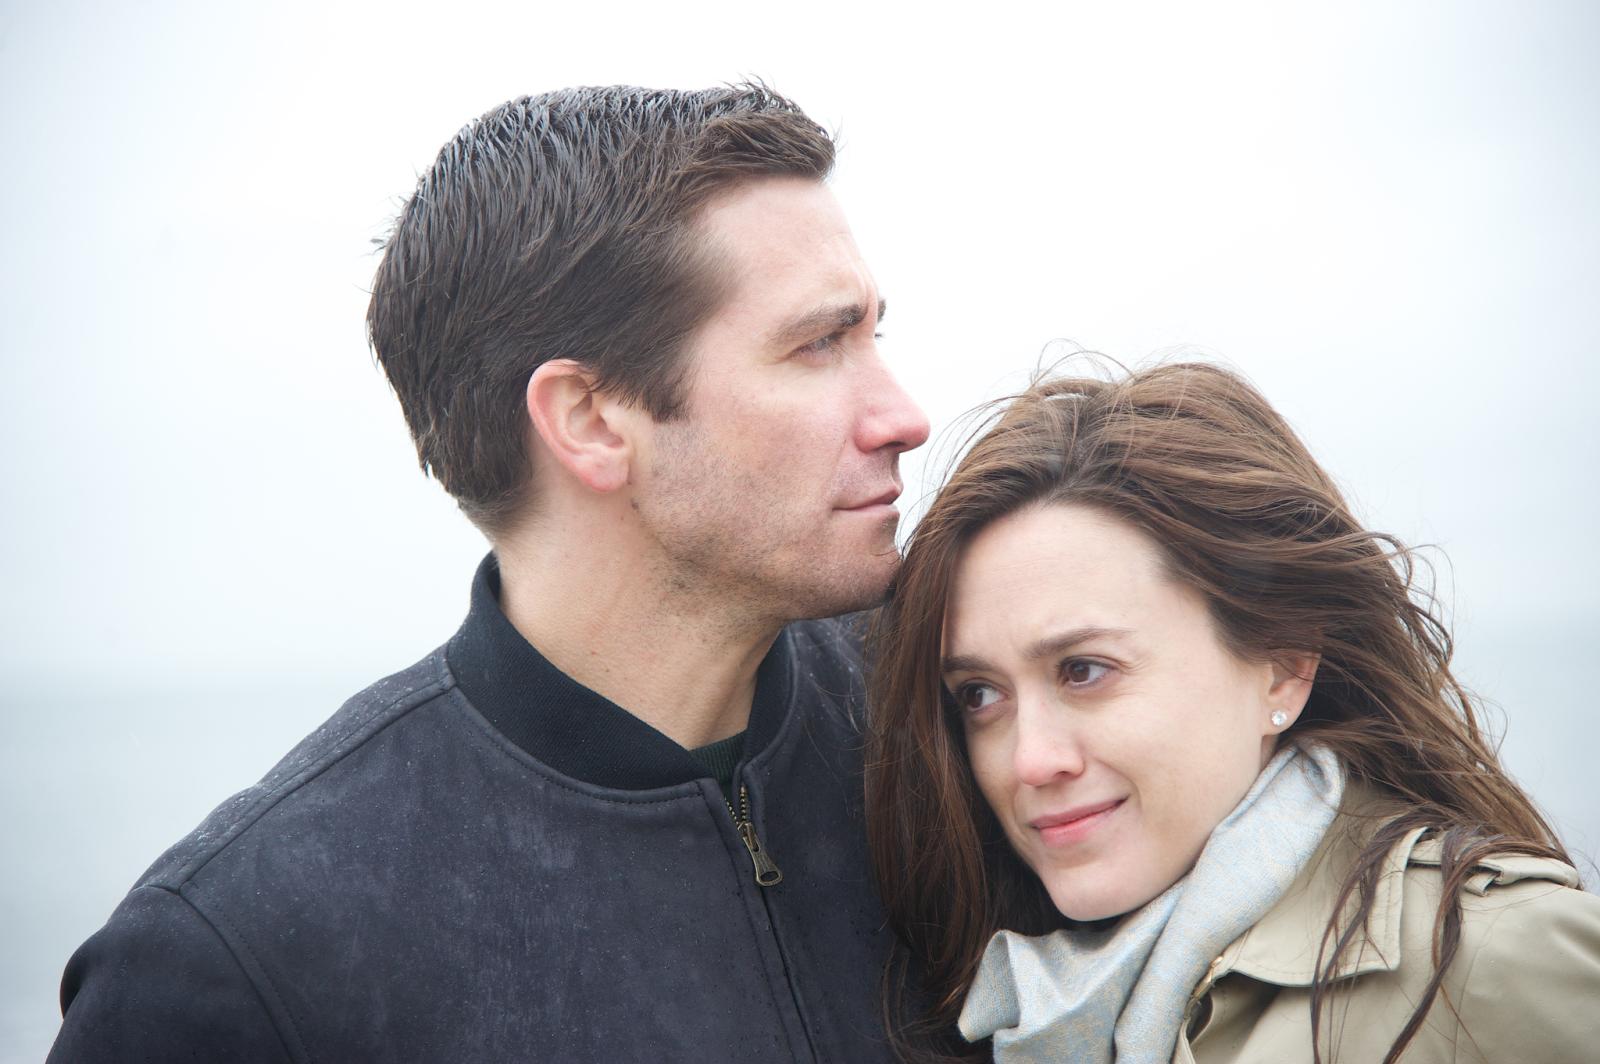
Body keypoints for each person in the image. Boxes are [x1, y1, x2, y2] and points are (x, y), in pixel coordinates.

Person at [50, 83, 929, 1063]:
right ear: (589, 420)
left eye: (872, 335)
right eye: (818, 345)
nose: (904, 416)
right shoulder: (239, 959)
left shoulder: (966, 723)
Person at [865, 362, 1600, 1063]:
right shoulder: (1015, 999)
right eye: (980, 694)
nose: (1030, 760)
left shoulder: (1497, 958)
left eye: (1085, 671)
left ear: (1283, 666)